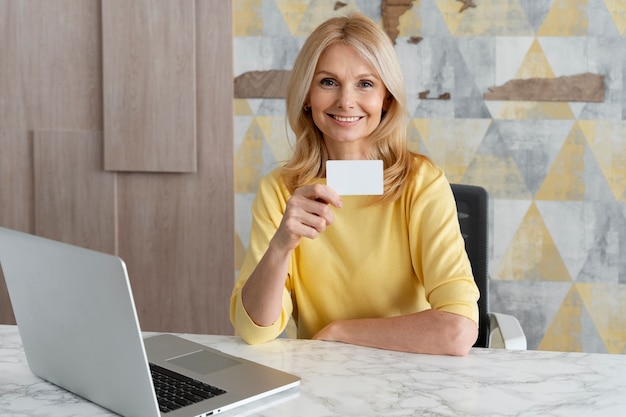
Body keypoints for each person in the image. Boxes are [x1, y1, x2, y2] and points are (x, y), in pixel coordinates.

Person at [230, 13, 479, 356]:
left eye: (365, 84)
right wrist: (280, 246)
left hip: (411, 377)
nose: (346, 101)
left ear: (386, 98)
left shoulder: (421, 183)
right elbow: (253, 330)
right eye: (328, 82)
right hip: (323, 383)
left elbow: (456, 330)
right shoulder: (281, 190)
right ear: (307, 95)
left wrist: (339, 331)